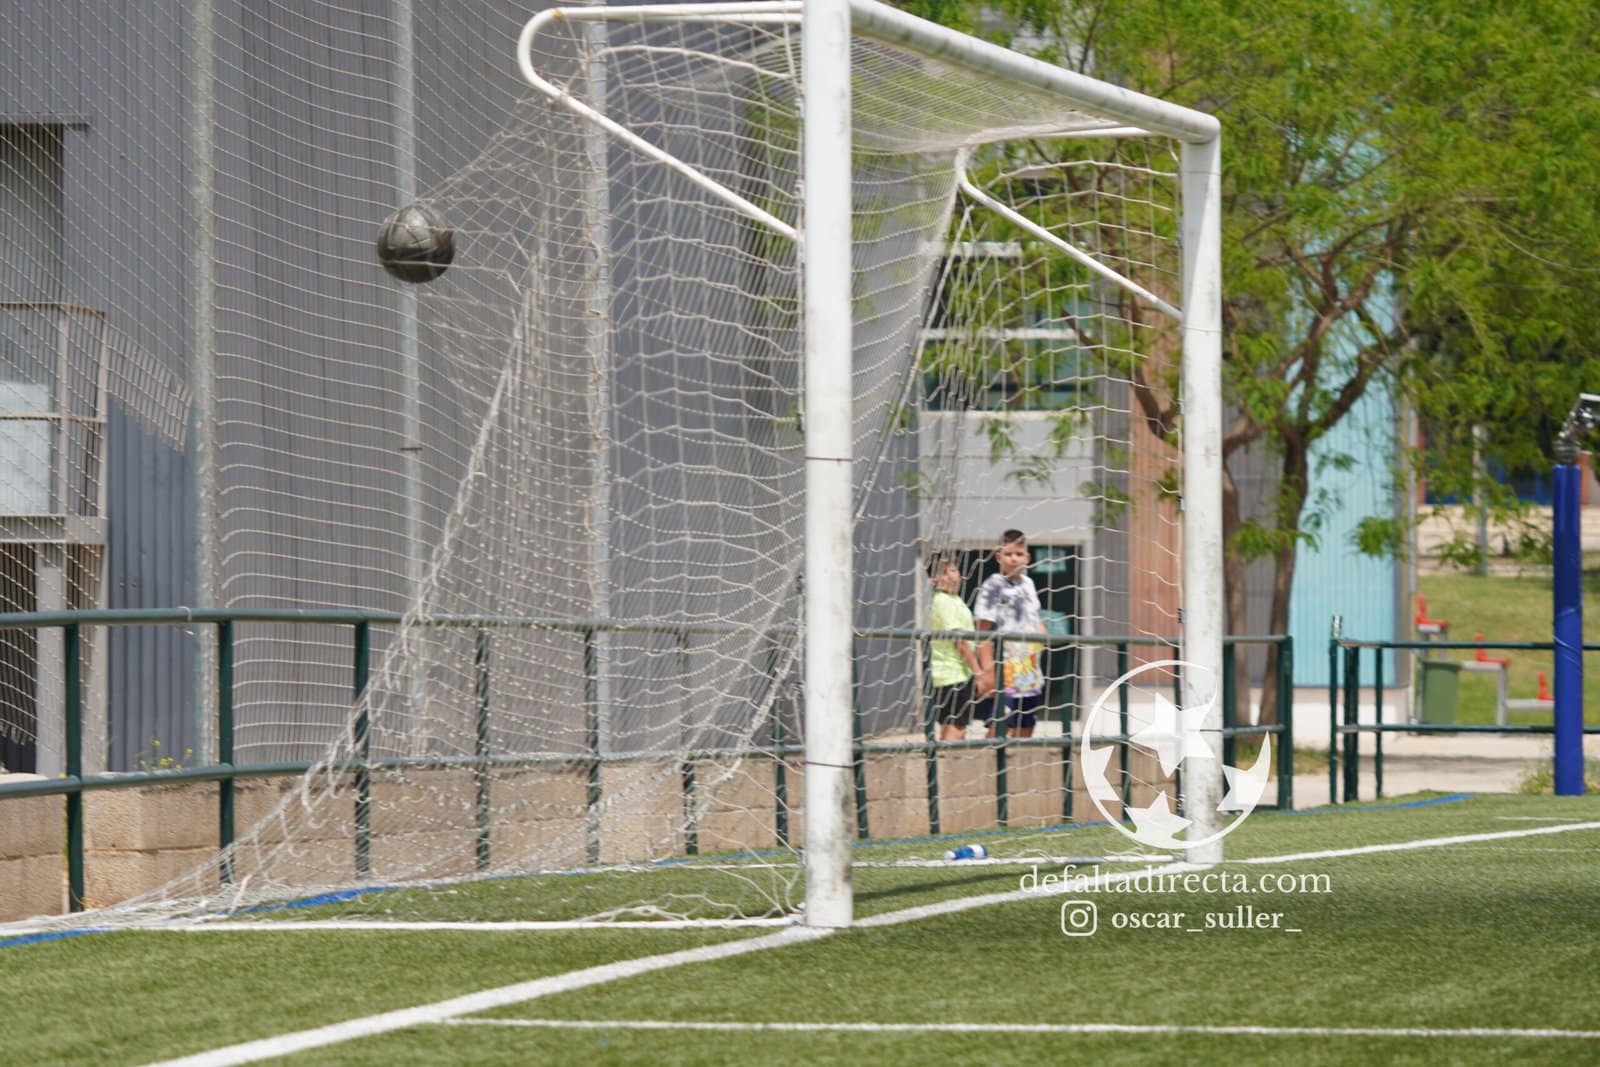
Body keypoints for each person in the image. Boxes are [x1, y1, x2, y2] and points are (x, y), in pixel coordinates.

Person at [974, 529, 1047, 738]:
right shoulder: (993, 585)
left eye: (1018, 554)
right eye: (1008, 554)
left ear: (1027, 557)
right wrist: (987, 671)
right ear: (999, 557)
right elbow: (982, 632)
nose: (1014, 559)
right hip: (1004, 668)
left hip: (1028, 668)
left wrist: (1042, 631)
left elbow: (1034, 616)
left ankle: (1018, 770)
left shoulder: (1029, 584)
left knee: (1026, 725)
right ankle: (989, 767)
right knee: (1000, 725)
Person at [927, 554, 991, 741]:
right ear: (934, 580)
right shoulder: (943, 601)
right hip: (951, 674)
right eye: (944, 574)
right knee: (957, 728)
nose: (952, 577)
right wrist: (978, 673)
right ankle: (942, 766)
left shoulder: (954, 600)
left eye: (953, 570)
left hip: (958, 674)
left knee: (952, 726)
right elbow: (959, 641)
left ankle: (942, 766)